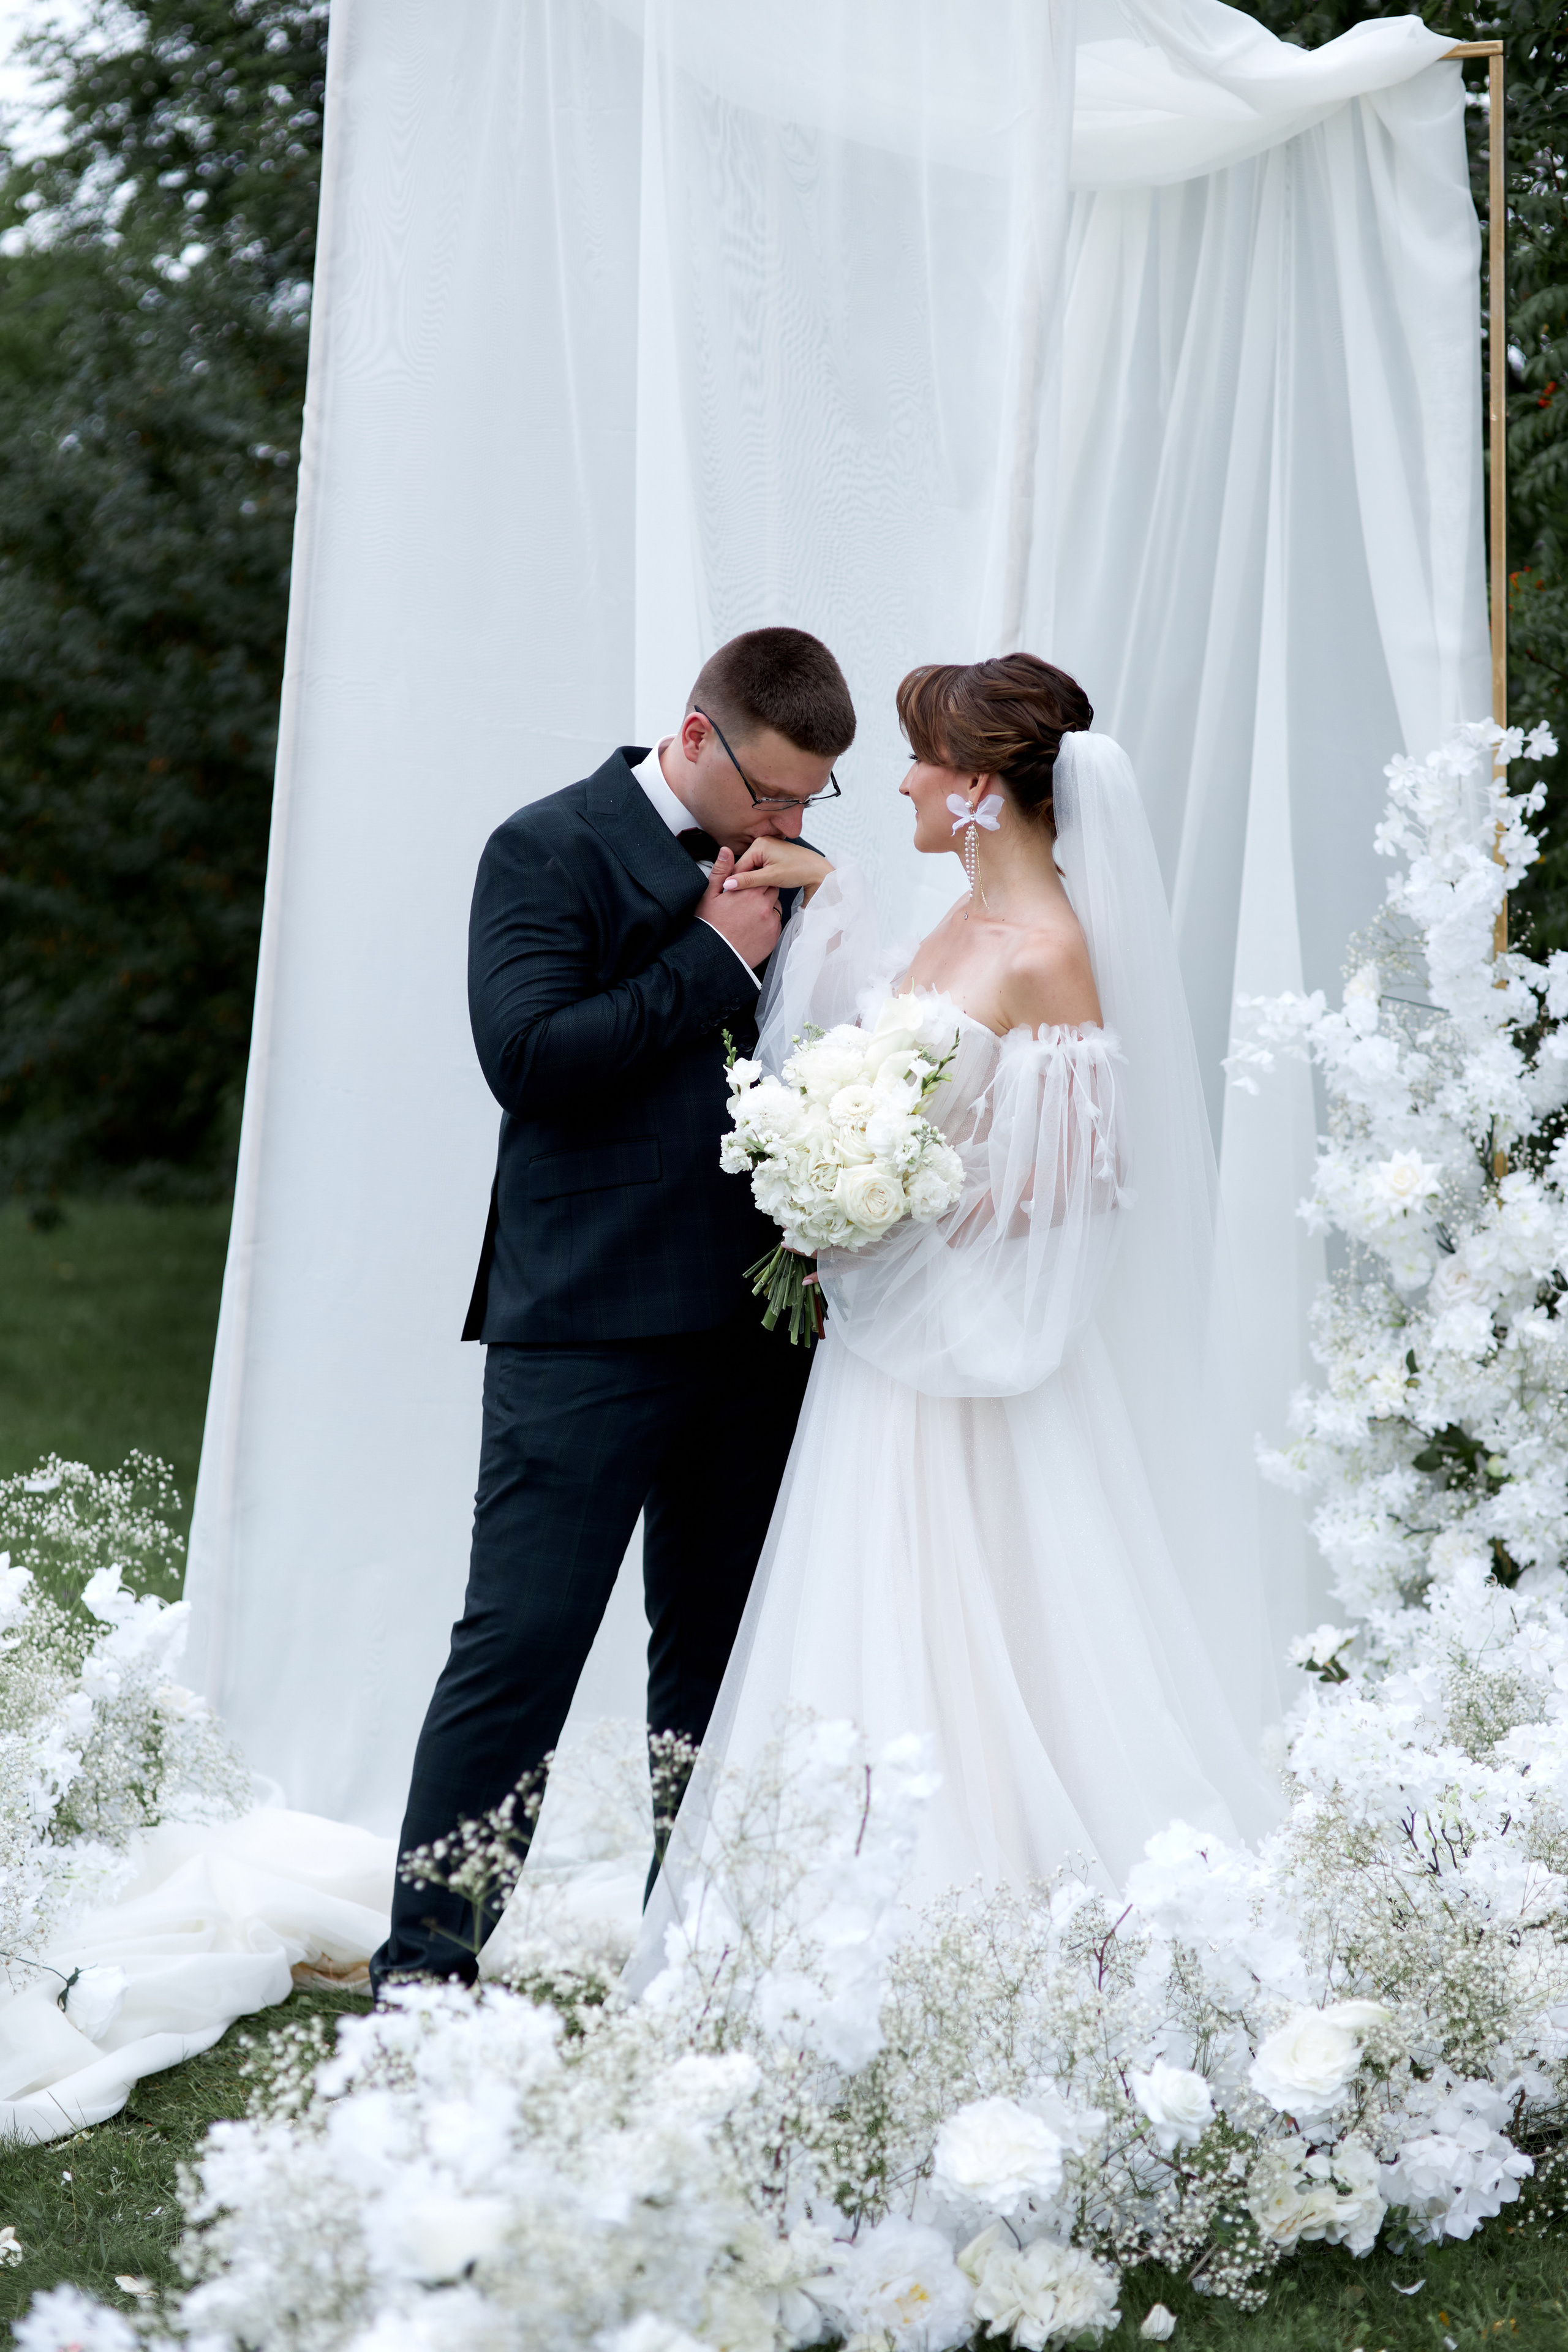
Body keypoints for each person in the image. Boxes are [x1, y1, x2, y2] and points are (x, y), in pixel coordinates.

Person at [646, 652, 1280, 1925]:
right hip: (884, 1337)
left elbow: (1078, 1176)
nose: (902, 784)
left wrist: (894, 1202)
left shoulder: (1048, 948)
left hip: (963, 1350)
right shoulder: (957, 919)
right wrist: (840, 1149)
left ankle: (980, 1887)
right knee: (871, 1598)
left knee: (977, 1606)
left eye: (922, 762)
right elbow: (899, 1045)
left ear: (981, 787)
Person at [371, 627, 855, 1990]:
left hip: (760, 1328)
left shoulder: (800, 868)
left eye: (810, 798)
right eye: (770, 792)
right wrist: (715, 954)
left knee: (717, 1661)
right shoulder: (545, 848)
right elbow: (529, 1059)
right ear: (695, 736)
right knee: (519, 1648)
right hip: (586, 1318)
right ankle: (424, 1977)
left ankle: (689, 1965)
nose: (787, 821)